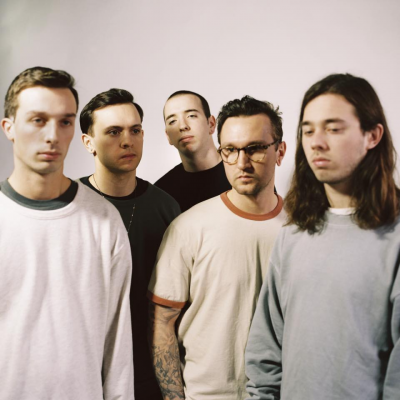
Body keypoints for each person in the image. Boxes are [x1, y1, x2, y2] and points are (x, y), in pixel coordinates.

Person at [245, 74, 400, 400]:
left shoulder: (394, 238)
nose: (317, 142)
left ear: (372, 135)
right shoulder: (292, 235)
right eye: (308, 130)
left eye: (333, 129)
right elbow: (265, 351)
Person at [0, 67, 133, 399]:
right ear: (9, 127)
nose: (53, 135)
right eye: (38, 120)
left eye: (65, 122)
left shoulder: (104, 221)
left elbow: (118, 348)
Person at [148, 95, 287, 400]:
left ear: (280, 151)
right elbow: (161, 322)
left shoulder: (303, 229)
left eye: (255, 148)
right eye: (231, 150)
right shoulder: (187, 228)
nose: (242, 163)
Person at [80, 88, 180, 400]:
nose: (127, 141)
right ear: (88, 142)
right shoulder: (71, 205)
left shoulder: (166, 208)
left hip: (147, 371)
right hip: (83, 369)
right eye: (113, 132)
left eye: (135, 130)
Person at [154, 90, 231, 212]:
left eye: (191, 116)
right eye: (172, 121)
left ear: (211, 124)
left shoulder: (243, 171)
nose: (182, 126)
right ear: (168, 136)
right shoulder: (161, 194)